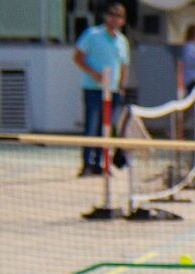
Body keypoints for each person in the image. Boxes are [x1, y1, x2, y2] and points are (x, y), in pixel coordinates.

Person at [72, 2, 129, 177]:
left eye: (118, 16)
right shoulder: (92, 35)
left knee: (106, 128)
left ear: (122, 20)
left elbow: (124, 65)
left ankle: (101, 163)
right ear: (105, 16)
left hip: (112, 91)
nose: (114, 18)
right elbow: (77, 56)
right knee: (91, 126)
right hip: (93, 88)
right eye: (112, 14)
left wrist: (121, 86)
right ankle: (87, 163)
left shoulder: (122, 41)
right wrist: (94, 73)